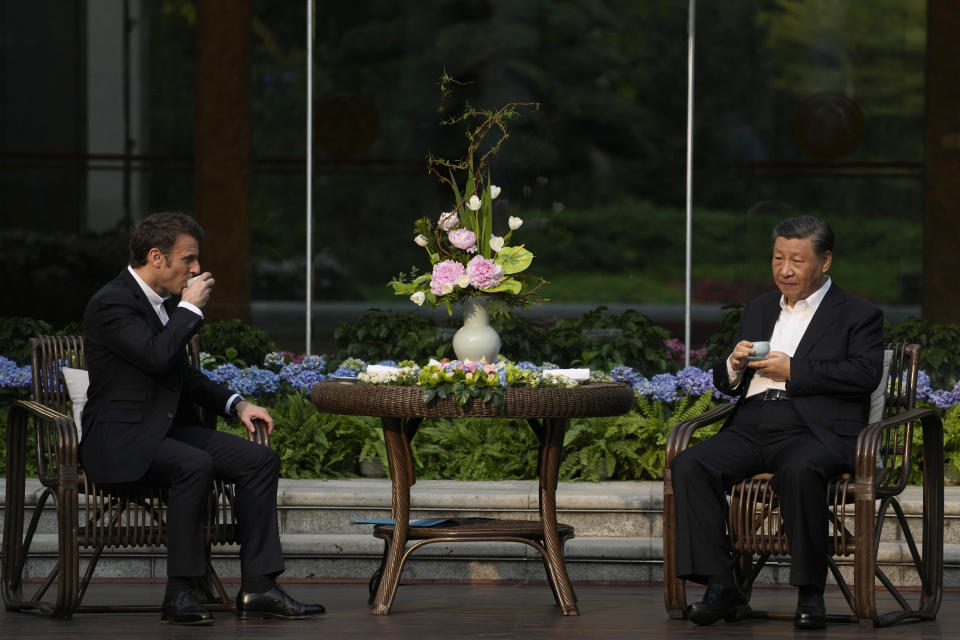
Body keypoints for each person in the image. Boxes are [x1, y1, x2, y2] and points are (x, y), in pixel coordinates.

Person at [80, 212, 325, 625]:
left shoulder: (163, 306)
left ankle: (259, 588)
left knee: (259, 460)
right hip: (118, 442)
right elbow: (157, 357)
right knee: (194, 464)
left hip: (163, 435)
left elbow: (182, 374)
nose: (196, 269)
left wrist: (237, 404)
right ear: (156, 257)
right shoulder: (112, 303)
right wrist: (190, 310)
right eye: (188, 259)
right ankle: (180, 592)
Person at [669, 215, 883, 631]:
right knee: (689, 464)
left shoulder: (858, 314)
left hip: (816, 430)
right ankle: (720, 584)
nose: (785, 270)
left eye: (797, 261)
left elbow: (864, 374)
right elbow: (729, 383)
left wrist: (795, 371)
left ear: (825, 261)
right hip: (753, 423)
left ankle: (810, 593)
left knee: (800, 469)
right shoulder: (759, 308)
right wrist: (732, 365)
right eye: (778, 258)